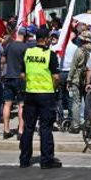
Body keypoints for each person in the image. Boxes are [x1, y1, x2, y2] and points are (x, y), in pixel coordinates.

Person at [19, 27, 62, 169]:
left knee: (28, 127)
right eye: (49, 38)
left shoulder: (28, 53)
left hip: (30, 93)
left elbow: (23, 75)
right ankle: (46, 159)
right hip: (46, 94)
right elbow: (56, 77)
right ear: (45, 39)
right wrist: (54, 87)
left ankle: (24, 159)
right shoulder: (50, 55)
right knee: (45, 128)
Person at [1, 27, 30, 139]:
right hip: (21, 78)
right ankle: (21, 131)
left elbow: (2, 61)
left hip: (9, 77)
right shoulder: (25, 47)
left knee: (7, 104)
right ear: (24, 36)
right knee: (21, 105)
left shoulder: (9, 46)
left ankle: (6, 130)